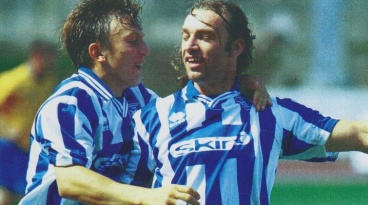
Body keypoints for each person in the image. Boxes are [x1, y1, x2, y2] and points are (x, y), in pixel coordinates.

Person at [130, 1, 368, 204]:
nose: (190, 46)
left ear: (236, 48)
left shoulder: (267, 112)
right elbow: (114, 187)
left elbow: (364, 134)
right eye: (186, 36)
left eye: (205, 37)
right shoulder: (153, 117)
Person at [19, 0, 270, 204]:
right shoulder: (70, 103)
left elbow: (185, 112)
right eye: (132, 41)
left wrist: (233, 84)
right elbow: (70, 180)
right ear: (98, 53)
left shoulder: (140, 97)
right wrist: (147, 197)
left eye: (142, 39)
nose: (145, 49)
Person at [0, 40, 59, 205]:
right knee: (6, 193)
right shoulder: (15, 80)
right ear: (36, 56)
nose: (53, 61)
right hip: (9, 145)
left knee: (28, 193)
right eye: (49, 57)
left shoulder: (47, 81)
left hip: (30, 146)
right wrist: (7, 130)